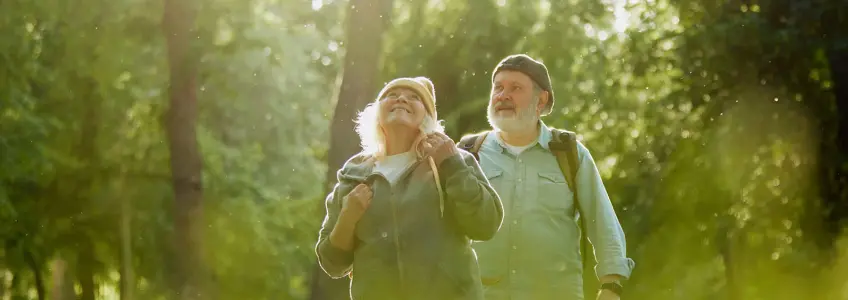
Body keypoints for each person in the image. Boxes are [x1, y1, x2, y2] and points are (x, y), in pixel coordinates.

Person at [457, 54, 635, 300]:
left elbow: (601, 219)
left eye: (515, 88)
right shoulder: (467, 154)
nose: (503, 95)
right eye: (498, 87)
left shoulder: (570, 153)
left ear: (540, 101)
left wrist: (612, 285)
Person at [314, 76, 505, 300]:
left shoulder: (451, 159)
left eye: (415, 97)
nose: (401, 99)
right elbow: (332, 262)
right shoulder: (355, 172)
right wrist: (348, 216)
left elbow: (485, 224)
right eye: (391, 95)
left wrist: (452, 165)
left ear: (428, 116)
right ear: (376, 114)